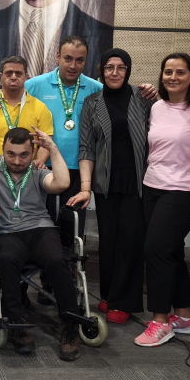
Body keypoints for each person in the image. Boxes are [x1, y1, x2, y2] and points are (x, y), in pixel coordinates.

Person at [0, 37, 155, 221]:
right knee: (39, 220)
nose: (73, 65)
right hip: (42, 167)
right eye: (68, 58)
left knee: (72, 223)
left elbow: (118, 97)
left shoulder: (95, 88)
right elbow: (10, 93)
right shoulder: (36, 84)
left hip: (80, 167)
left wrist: (148, 90)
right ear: (58, 56)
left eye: (79, 60)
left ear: (86, 60)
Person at [68, 48, 155, 324]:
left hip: (137, 180)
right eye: (109, 67)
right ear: (101, 70)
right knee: (109, 240)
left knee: (131, 240)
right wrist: (85, 187)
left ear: (128, 70)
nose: (114, 72)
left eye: (120, 67)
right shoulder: (92, 102)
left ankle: (125, 301)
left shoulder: (143, 98)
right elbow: (86, 147)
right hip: (105, 182)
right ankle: (108, 293)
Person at [134, 53, 190, 347]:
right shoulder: (157, 107)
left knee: (155, 250)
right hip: (152, 186)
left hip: (183, 190)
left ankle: (160, 321)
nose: (173, 77)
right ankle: (183, 315)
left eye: (180, 72)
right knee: (169, 251)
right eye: (168, 71)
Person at [0, 127, 81, 360]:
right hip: (7, 232)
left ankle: (70, 323)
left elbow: (62, 183)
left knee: (57, 260)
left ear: (33, 153)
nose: (17, 161)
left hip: (41, 229)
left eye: (24, 155)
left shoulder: (38, 171)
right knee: (6, 259)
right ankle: (17, 321)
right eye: (11, 154)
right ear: (2, 150)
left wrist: (52, 148)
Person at [0, 55, 53, 167]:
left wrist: (39, 161)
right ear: (1, 76)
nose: (14, 77)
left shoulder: (41, 108)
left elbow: (46, 143)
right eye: (9, 73)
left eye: (18, 73)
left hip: (27, 171)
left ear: (26, 77)